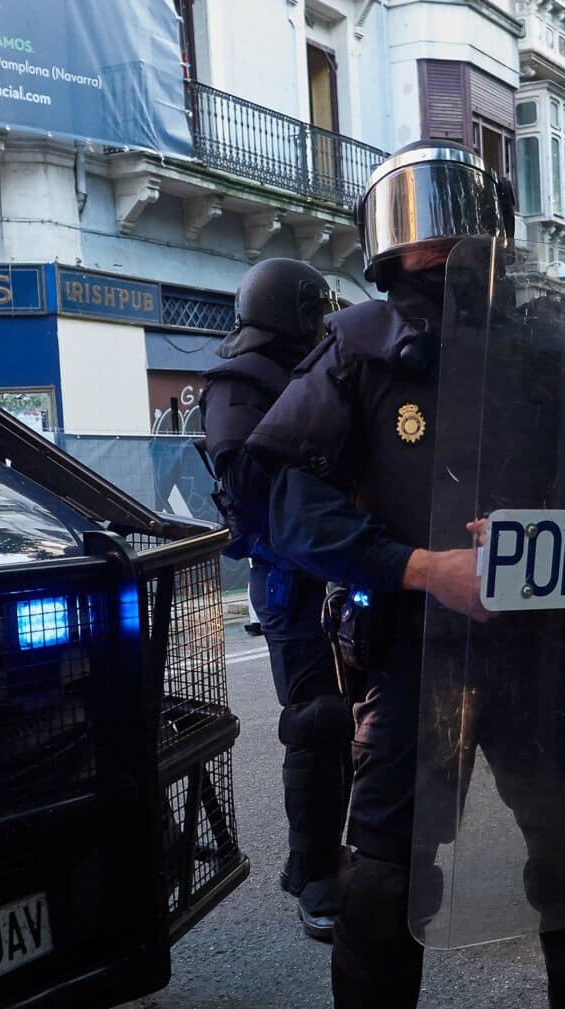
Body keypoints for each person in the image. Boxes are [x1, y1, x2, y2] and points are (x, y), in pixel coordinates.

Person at [246, 140, 565, 1009]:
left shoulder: (545, 345)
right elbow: (275, 493)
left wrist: (543, 542)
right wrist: (411, 565)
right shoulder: (352, 350)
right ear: (393, 246)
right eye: (429, 232)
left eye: (464, 229)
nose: (448, 251)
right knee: (380, 881)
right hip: (409, 657)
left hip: (541, 653)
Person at [201, 257, 346, 941]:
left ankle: (366, 848)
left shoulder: (320, 366)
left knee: (375, 710)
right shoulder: (239, 382)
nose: (324, 323)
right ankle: (314, 870)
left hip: (352, 555)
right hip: (292, 573)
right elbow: (249, 472)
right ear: (294, 314)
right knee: (318, 720)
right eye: (316, 312)